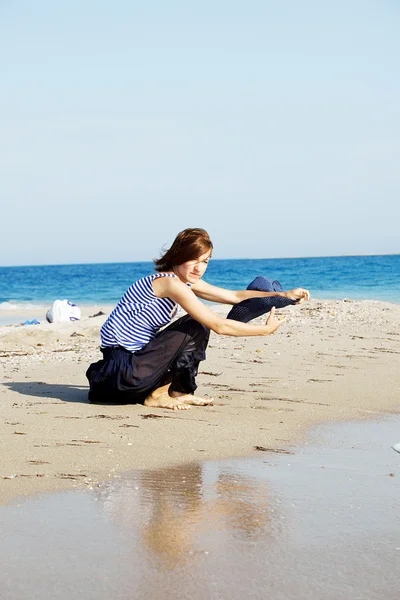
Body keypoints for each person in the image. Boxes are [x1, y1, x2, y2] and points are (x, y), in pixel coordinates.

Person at [86, 228, 310, 410]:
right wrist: (264, 331)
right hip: (122, 374)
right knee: (197, 323)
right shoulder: (169, 283)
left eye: (205, 261)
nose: (199, 267)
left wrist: (283, 295)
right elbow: (218, 325)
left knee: (197, 324)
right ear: (177, 257)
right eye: (193, 259)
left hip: (124, 376)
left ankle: (177, 392)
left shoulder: (180, 282)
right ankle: (163, 394)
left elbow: (233, 296)